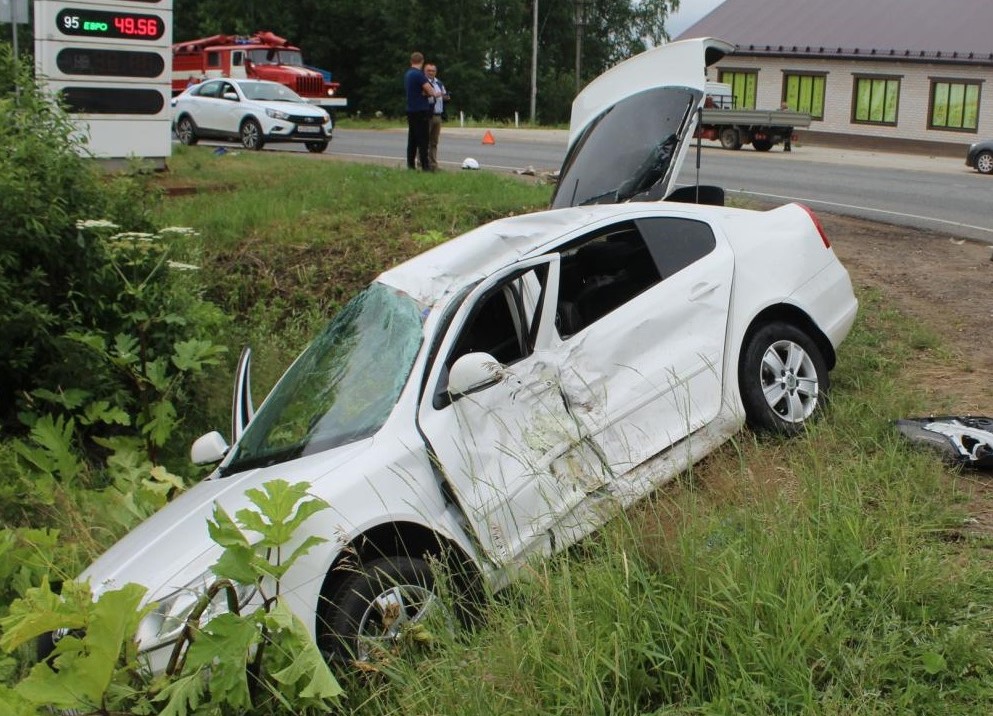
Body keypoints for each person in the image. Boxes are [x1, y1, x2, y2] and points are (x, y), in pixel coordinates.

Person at [404, 52, 437, 171]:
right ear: (422, 62)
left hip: (410, 109)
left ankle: (410, 165)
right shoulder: (419, 75)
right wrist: (426, 92)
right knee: (423, 140)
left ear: (411, 61)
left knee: (412, 139)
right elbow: (431, 91)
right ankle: (425, 166)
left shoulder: (408, 73)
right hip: (420, 110)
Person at [424, 63, 450, 171]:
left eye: (433, 71)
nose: (431, 73)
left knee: (434, 142)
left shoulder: (439, 83)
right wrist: (434, 95)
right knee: (424, 141)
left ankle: (433, 165)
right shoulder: (423, 82)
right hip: (427, 114)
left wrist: (445, 96)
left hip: (438, 115)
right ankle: (423, 164)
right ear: (425, 71)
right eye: (429, 70)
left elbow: (443, 95)